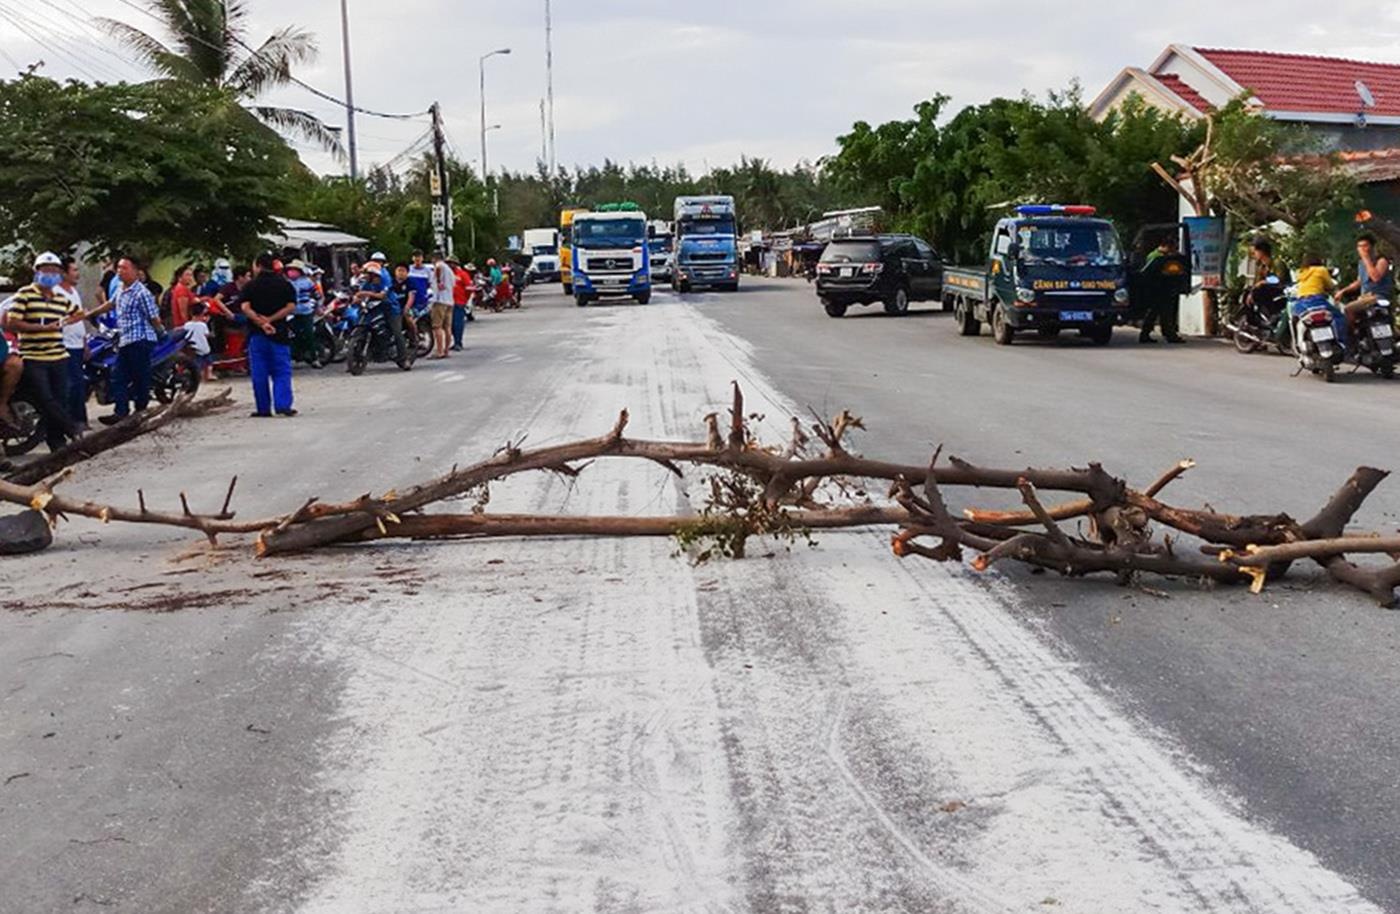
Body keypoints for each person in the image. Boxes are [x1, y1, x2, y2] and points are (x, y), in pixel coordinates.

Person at [6, 252, 84, 449]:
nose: (50, 274)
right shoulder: (25, 294)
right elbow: (12, 323)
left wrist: (65, 322)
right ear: (37, 272)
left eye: (54, 271)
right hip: (33, 355)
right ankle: (72, 428)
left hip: (58, 354)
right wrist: (41, 328)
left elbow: (78, 313)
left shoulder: (61, 298)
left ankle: (57, 442)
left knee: (60, 398)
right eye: (46, 270)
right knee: (45, 399)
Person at [97, 256, 165, 426]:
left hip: (140, 339)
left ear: (136, 271)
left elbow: (153, 317)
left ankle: (140, 411)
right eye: (118, 268)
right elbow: (110, 304)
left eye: (124, 268)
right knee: (117, 376)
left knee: (139, 377)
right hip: (124, 339)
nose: (120, 271)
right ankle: (121, 412)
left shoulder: (142, 293)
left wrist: (161, 333)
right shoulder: (120, 288)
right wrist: (89, 314)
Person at [240, 253, 298, 418]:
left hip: (257, 335)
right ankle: (283, 405)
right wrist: (271, 320)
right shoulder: (284, 284)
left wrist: (261, 322)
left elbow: (245, 307)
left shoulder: (250, 286)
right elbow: (291, 307)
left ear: (258, 265)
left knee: (259, 372)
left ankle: (263, 408)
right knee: (282, 371)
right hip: (279, 333)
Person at [1334, 233, 1395, 336]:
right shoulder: (1361, 263)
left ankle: (1353, 335)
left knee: (1348, 309)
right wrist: (1343, 291)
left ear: (1372, 247)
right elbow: (1360, 281)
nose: (1362, 249)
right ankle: (1362, 335)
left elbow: (1375, 277)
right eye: (1360, 246)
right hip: (1364, 297)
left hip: (1377, 297)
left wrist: (1366, 258)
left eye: (1365, 246)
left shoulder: (1381, 261)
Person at [58, 256, 90, 429]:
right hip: (65, 343)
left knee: (79, 382)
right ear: (64, 273)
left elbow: (80, 319)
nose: (77, 274)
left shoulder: (74, 292)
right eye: (74, 270)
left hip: (77, 343)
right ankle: (71, 421)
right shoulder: (57, 293)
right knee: (71, 383)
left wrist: (84, 343)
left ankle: (80, 419)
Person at [1138, 238, 1186, 344]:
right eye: (1173, 248)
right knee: (1164, 313)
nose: (1173, 250)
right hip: (1158, 289)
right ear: (1166, 246)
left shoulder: (1158, 256)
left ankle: (1147, 334)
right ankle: (1169, 335)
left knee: (1155, 313)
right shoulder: (1156, 257)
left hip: (1158, 289)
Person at [1292, 253, 1346, 343]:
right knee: (1339, 317)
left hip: (1301, 302)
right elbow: (1330, 285)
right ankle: (1343, 343)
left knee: (1295, 319)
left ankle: (1298, 343)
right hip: (1317, 300)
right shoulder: (1321, 270)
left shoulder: (1301, 272)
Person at [376, 261, 413, 368]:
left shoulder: (387, 279)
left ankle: (404, 359)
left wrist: (407, 307)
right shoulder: (368, 281)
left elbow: (383, 294)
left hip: (393, 309)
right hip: (377, 308)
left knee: (397, 332)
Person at [285, 260, 320, 367]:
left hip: (306, 311)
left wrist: (317, 306)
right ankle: (297, 354)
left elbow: (316, 295)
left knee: (309, 334)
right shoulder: (287, 283)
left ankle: (314, 358)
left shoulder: (307, 282)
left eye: (294, 270)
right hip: (291, 313)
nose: (291, 272)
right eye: (290, 270)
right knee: (293, 335)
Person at [429, 251, 455, 359]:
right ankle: (446, 350)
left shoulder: (439, 266)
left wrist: (439, 281)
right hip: (449, 301)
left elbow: (438, 268)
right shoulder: (450, 270)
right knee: (447, 327)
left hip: (440, 301)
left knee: (437, 327)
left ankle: (439, 351)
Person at [186, 301, 215, 381]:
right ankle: (209, 374)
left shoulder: (187, 325)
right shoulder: (203, 325)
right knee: (209, 362)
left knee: (198, 364)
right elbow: (207, 335)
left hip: (194, 347)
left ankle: (199, 376)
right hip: (204, 348)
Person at [450, 258, 473, 351]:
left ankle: (458, 342)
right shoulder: (446, 274)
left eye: (452, 263)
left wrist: (464, 299)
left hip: (459, 302)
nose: (450, 265)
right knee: (450, 325)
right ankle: (454, 341)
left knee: (458, 323)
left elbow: (469, 289)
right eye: (448, 263)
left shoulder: (462, 274)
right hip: (448, 302)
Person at [168, 263, 198, 329]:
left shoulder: (184, 288)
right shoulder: (181, 289)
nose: (190, 278)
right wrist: (188, 326)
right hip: (182, 325)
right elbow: (183, 312)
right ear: (180, 277)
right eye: (187, 275)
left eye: (191, 275)